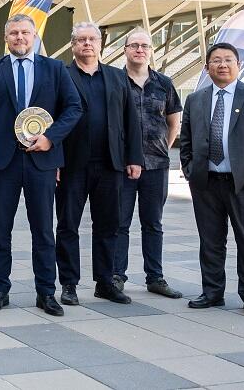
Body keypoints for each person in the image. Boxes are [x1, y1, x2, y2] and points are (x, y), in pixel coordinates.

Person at [0, 14, 82, 315]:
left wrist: (51, 138)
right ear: (6, 38)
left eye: (25, 33)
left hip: (41, 161)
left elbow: (74, 108)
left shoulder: (55, 68)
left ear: (34, 36)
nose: (19, 37)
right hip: (2, 161)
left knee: (43, 230)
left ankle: (46, 292)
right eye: (14, 33)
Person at [180, 42, 244, 319]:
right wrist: (190, 170)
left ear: (239, 65)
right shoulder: (195, 99)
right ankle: (212, 292)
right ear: (207, 67)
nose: (222, 65)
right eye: (216, 60)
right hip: (206, 182)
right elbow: (186, 140)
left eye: (228, 60)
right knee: (210, 240)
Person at [57, 21, 143, 307]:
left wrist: (134, 158)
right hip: (71, 165)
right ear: (73, 45)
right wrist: (53, 160)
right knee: (68, 225)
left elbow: (131, 120)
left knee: (108, 225)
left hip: (110, 164)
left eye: (92, 39)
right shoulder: (61, 75)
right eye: (81, 39)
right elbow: (52, 120)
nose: (87, 44)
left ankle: (105, 282)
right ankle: (69, 284)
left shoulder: (117, 77)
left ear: (100, 44)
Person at [114, 29, 184, 299]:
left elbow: (173, 122)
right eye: (134, 45)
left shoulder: (164, 83)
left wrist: (162, 148)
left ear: (151, 51)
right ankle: (116, 276)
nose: (139, 50)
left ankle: (155, 278)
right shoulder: (115, 80)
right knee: (119, 223)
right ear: (125, 50)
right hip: (122, 167)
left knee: (153, 223)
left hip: (156, 166)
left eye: (144, 45)